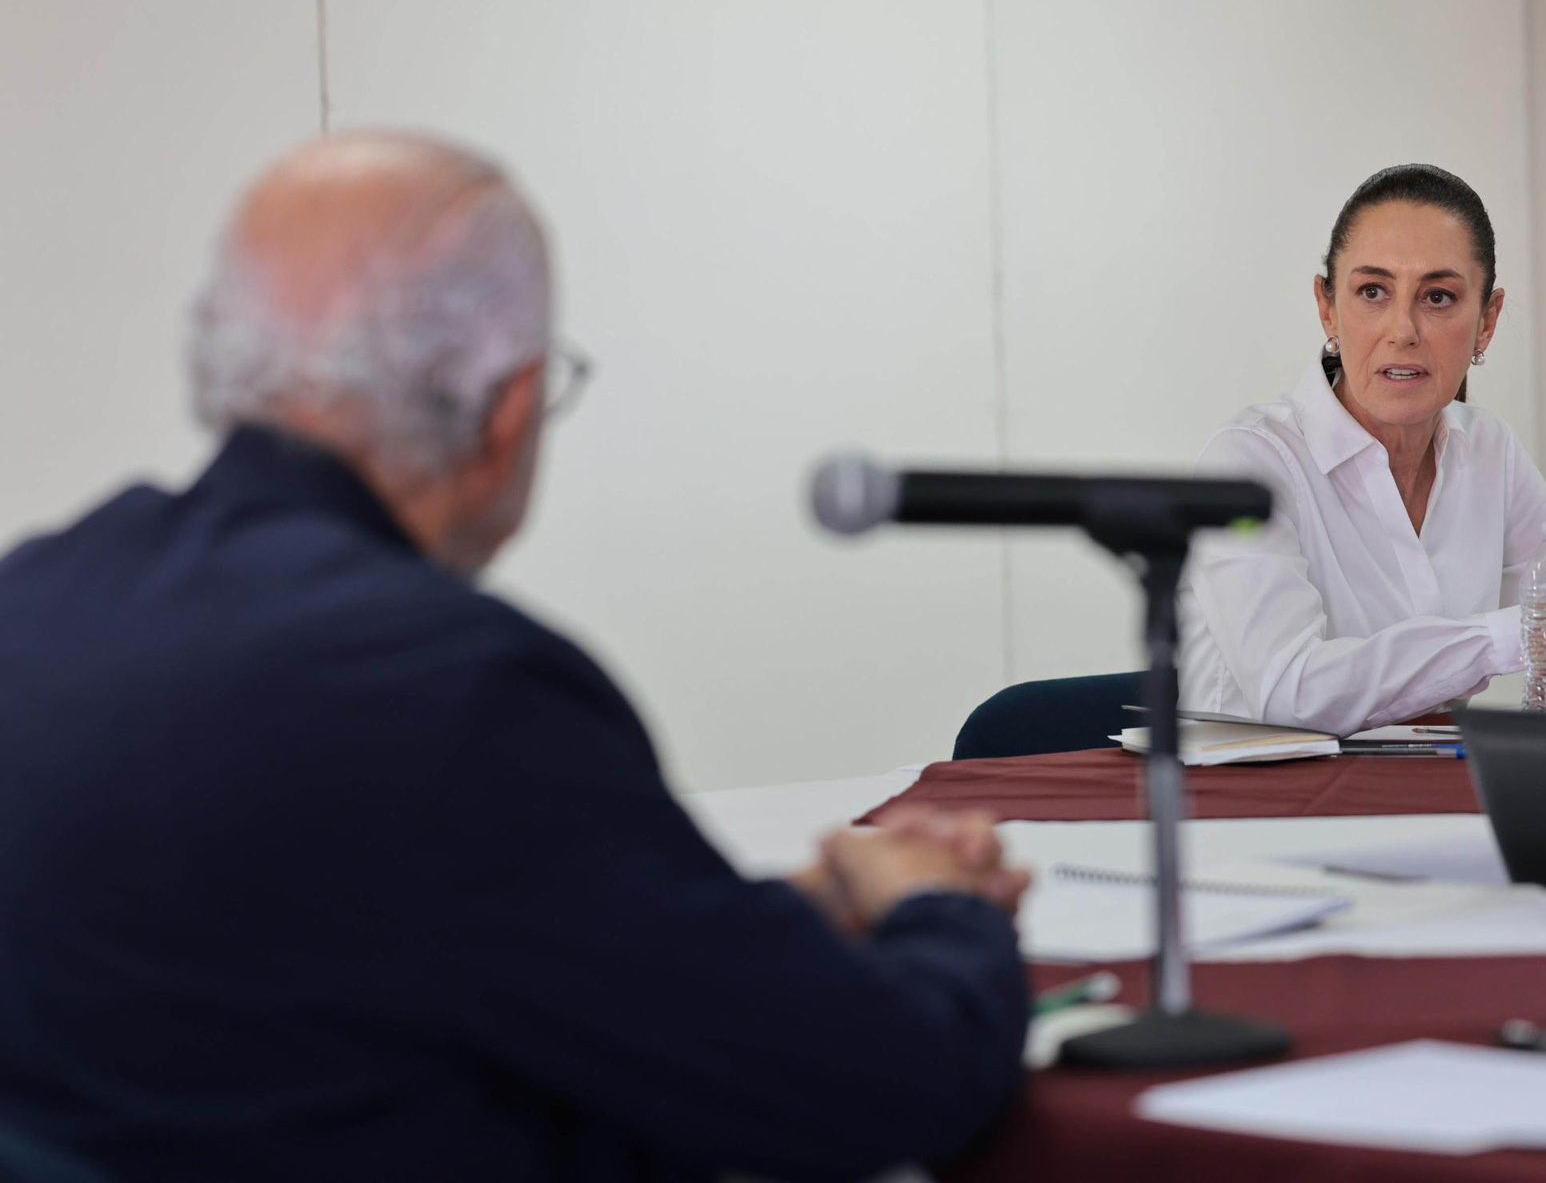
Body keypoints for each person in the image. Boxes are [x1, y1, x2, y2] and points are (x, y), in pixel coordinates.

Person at [0, 132, 1032, 1182]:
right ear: (506, 409)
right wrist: (937, 908)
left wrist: (745, 928)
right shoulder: (454, 694)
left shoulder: (33, 606)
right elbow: (881, 1087)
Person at [1180, 163, 1546, 733]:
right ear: (1327, 307)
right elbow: (1288, 689)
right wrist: (1520, 633)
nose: (1403, 329)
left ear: (1487, 322)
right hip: (1250, 809)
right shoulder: (1250, 462)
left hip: (1420, 793)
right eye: (1372, 292)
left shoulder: (1488, 449)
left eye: (1439, 297)